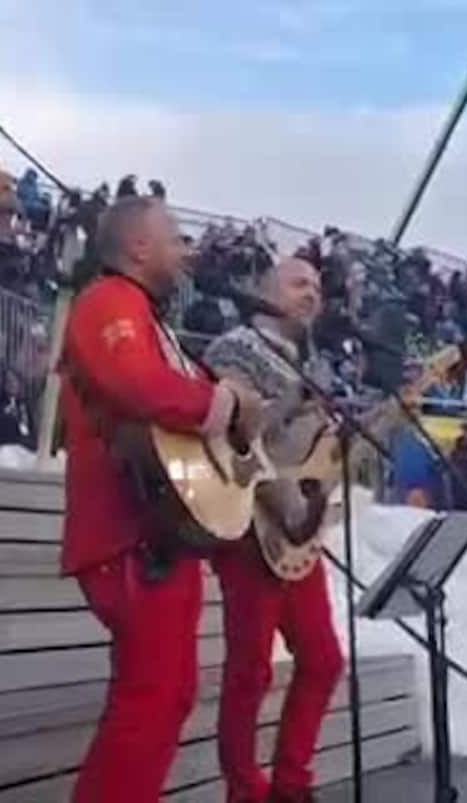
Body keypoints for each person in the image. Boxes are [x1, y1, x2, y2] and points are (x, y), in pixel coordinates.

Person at [58, 196, 263, 802]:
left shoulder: (148, 318)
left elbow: (184, 392)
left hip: (157, 535)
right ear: (139, 248)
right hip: (128, 535)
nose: (185, 251)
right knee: (149, 699)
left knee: (167, 695)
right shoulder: (107, 302)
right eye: (174, 238)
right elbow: (137, 384)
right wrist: (219, 404)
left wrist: (238, 408)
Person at [202, 257, 345, 803]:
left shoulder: (315, 364)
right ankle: (245, 791)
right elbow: (232, 436)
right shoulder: (234, 349)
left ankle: (292, 784)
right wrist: (281, 498)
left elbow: (309, 450)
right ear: (265, 292)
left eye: (316, 286)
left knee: (323, 658)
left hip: (296, 536)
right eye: (298, 283)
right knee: (250, 670)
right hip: (248, 526)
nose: (311, 294)